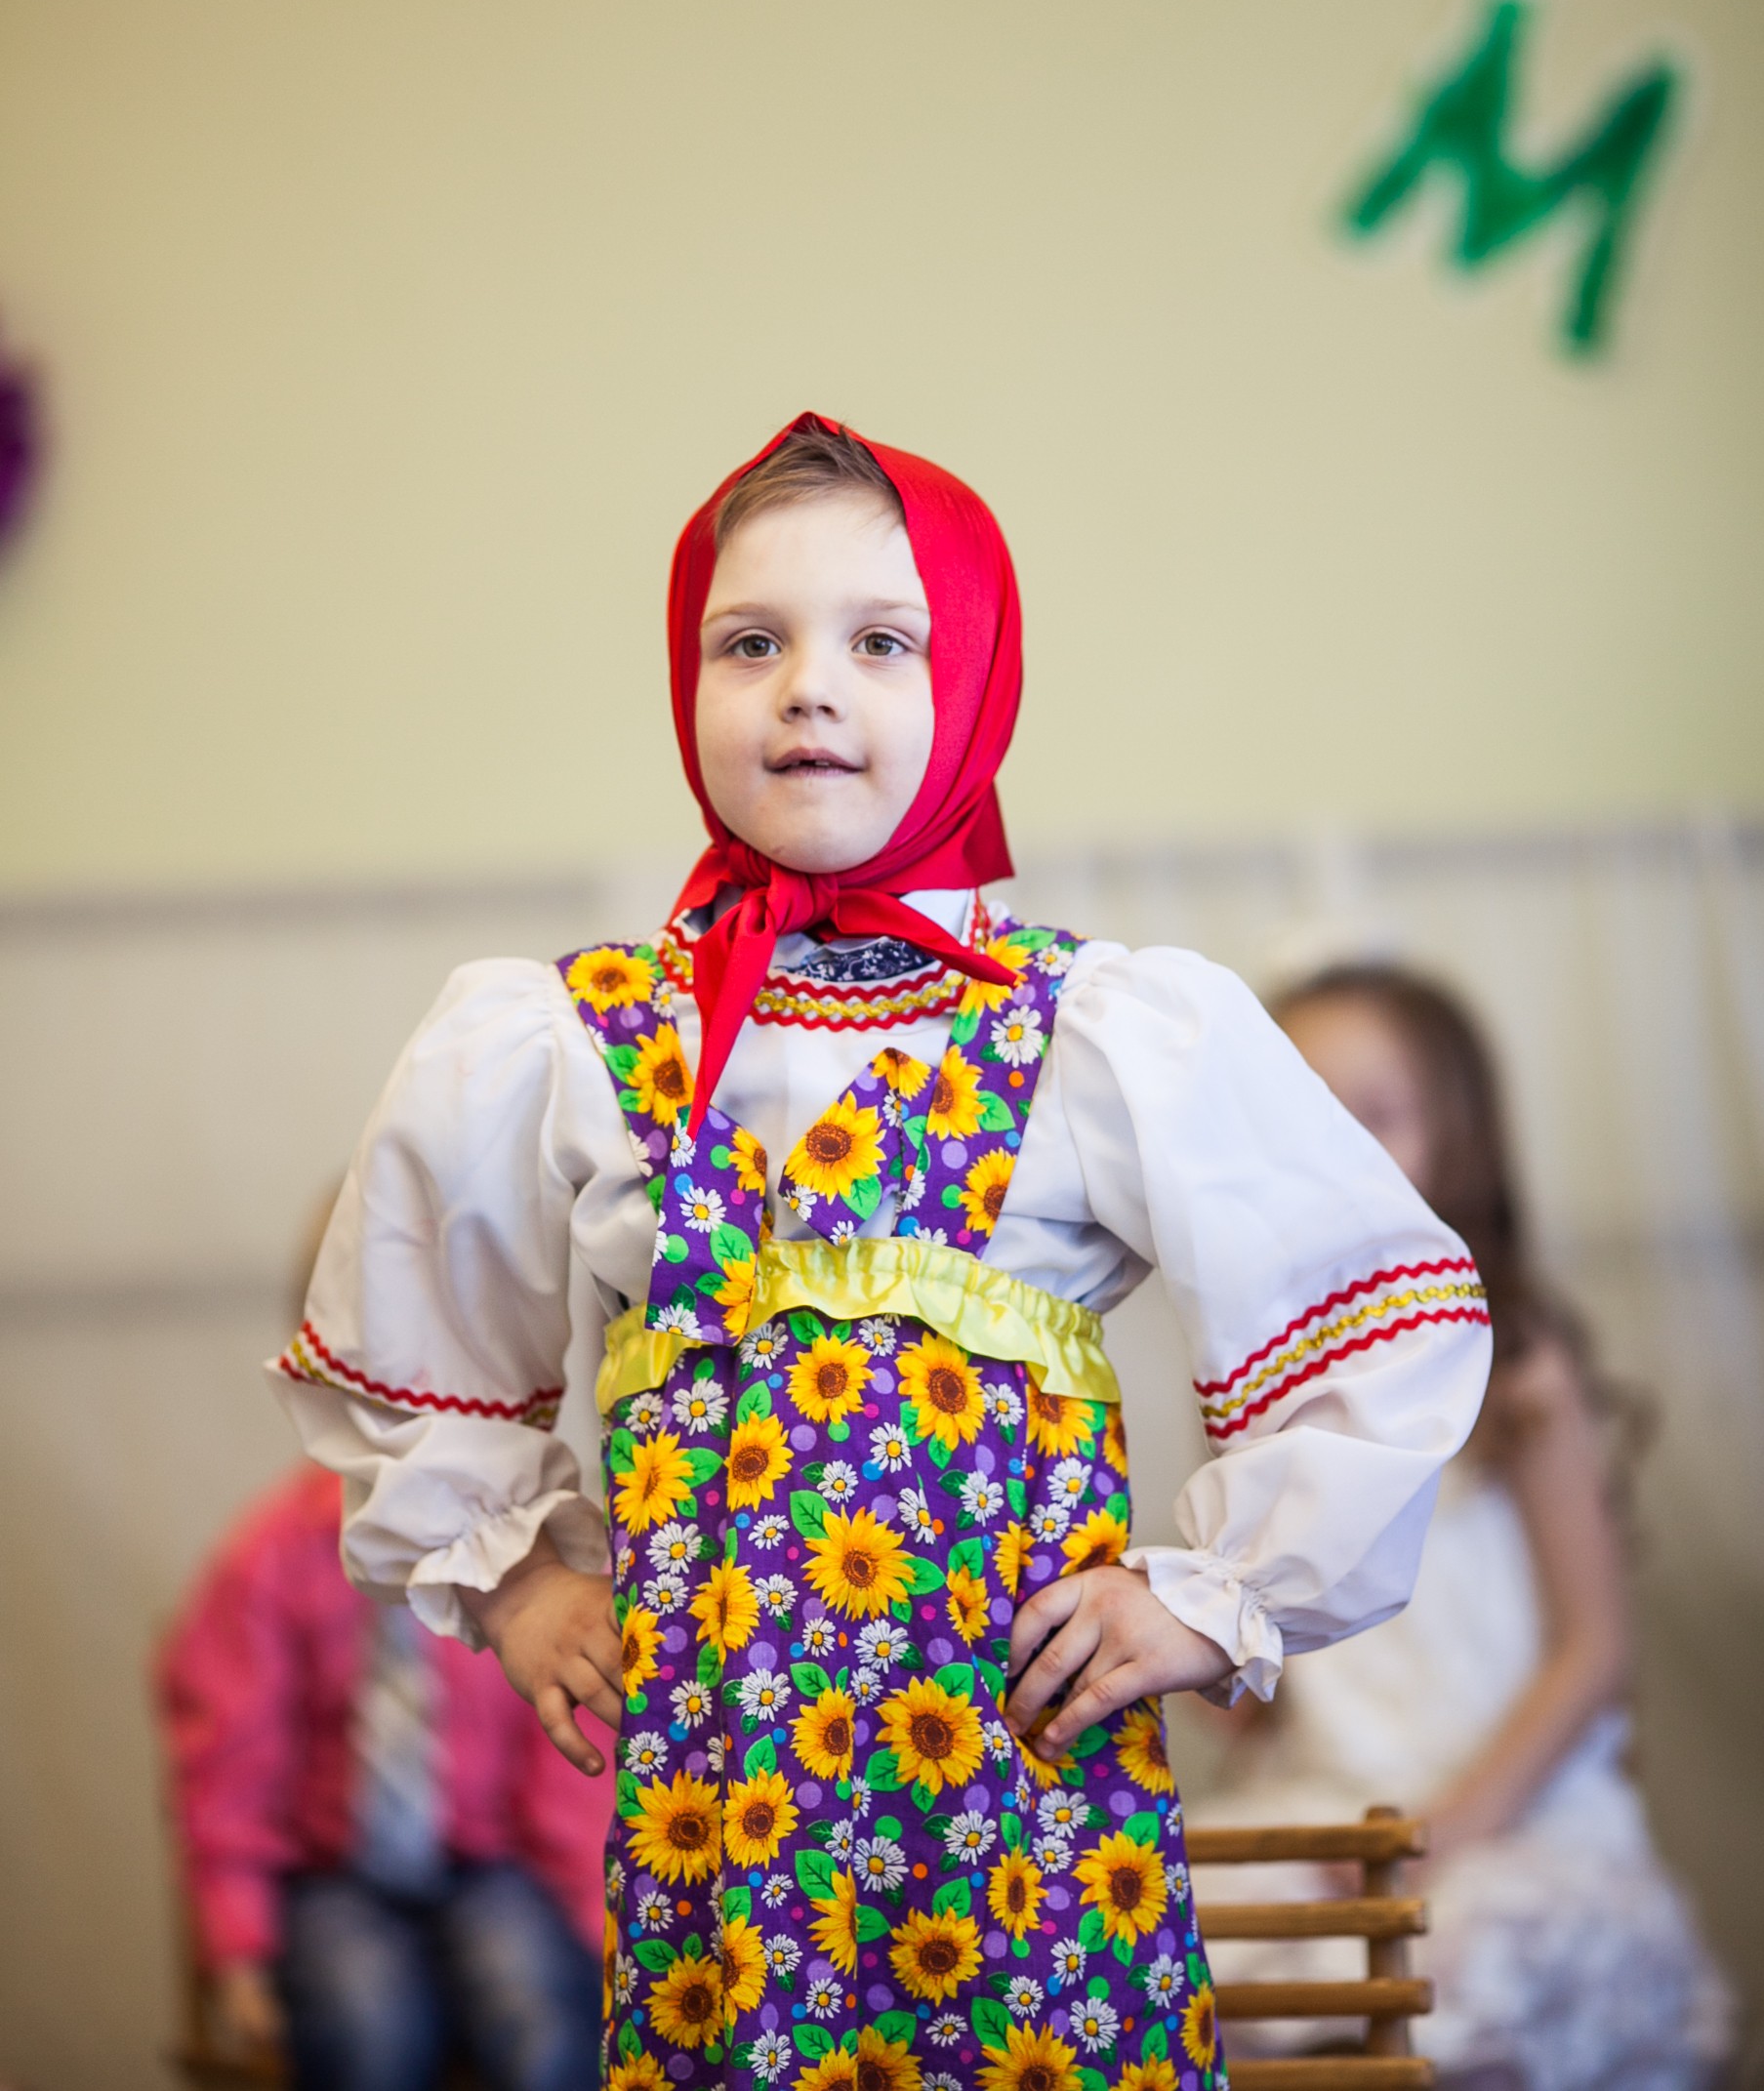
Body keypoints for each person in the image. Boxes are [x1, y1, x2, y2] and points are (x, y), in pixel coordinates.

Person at [273, 413, 1493, 2091]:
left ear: (973, 679)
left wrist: (1212, 1601)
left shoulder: (1096, 1028)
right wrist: (523, 1579)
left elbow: (1375, 1320)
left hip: (1022, 1786)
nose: (806, 689)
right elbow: (419, 1348)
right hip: (725, 1813)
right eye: (747, 642)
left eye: (880, 642)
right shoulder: (570, 1038)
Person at [1192, 962, 1734, 2091]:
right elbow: (1269, 1671)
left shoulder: (1517, 1372)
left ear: (1454, 1139)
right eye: (1300, 1111)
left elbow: (1593, 1649)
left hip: (1515, 1818)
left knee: (1456, 1973)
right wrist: (1217, 1659)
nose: (1333, 1147)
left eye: (1375, 1114)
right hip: (1327, 1817)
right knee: (1153, 1931)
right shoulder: (1262, 1390)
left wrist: (1455, 1825)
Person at [157, 1455, 612, 2091]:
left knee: (541, 2010)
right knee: (371, 2022)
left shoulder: (515, 1550)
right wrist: (238, 1946)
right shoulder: (272, 1552)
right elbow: (229, 1769)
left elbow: (568, 1768)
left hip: (485, 1864)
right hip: (332, 1874)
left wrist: (602, 1920)